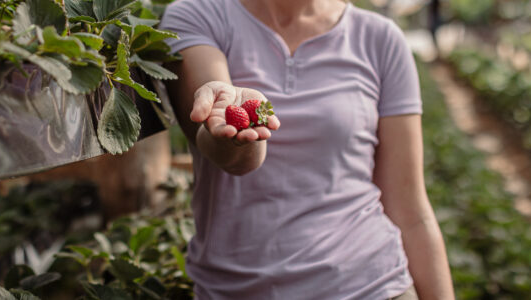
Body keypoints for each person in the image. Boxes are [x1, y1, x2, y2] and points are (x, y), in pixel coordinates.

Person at [160, 0, 455, 299]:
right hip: (237, 290)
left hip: (374, 285)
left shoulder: (380, 38)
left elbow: (410, 211)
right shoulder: (198, 15)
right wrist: (237, 129)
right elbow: (231, 157)